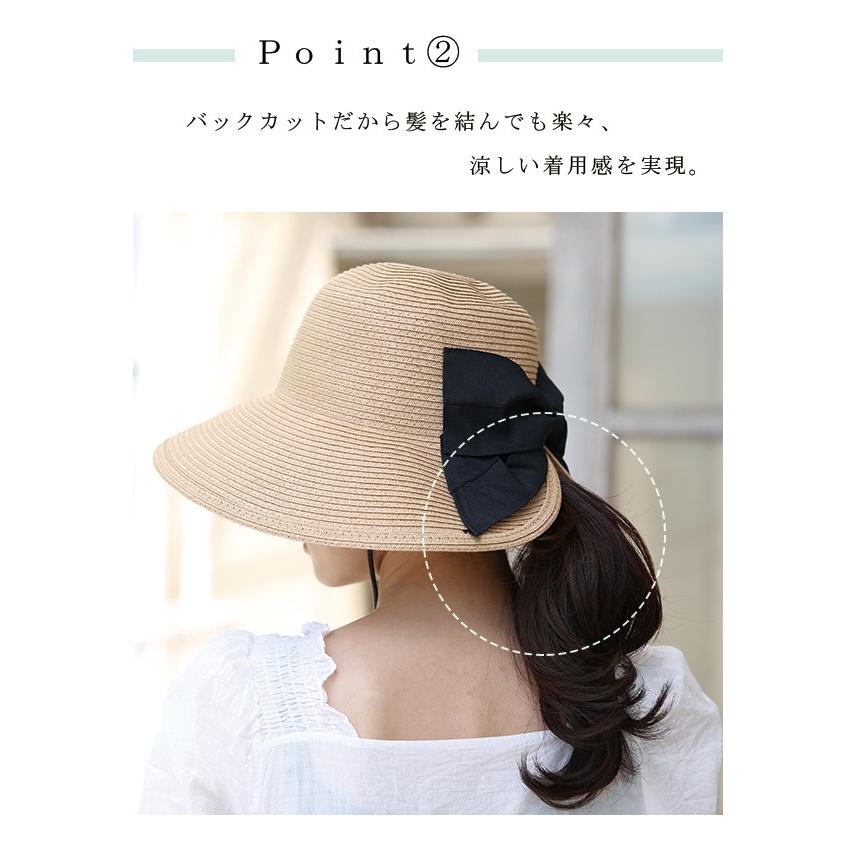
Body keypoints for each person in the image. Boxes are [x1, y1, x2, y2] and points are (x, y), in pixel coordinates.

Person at [139, 262, 721, 814]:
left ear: (370, 486)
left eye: (312, 472)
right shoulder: (650, 702)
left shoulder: (247, 705)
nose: (297, 515)